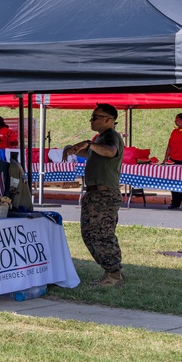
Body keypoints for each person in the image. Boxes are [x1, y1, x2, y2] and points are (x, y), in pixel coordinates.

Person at [64, 103, 124, 287]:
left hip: (105, 195)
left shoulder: (111, 136)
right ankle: (110, 271)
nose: (91, 120)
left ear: (108, 119)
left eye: (95, 117)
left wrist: (89, 144)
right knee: (89, 234)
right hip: (94, 195)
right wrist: (74, 149)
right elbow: (92, 152)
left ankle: (114, 274)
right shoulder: (100, 138)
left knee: (102, 234)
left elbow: (110, 151)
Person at [164, 113, 182, 209]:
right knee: (175, 182)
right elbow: (169, 146)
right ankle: (175, 203)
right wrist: (166, 157)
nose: (175, 121)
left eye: (176, 119)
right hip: (174, 161)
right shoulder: (174, 132)